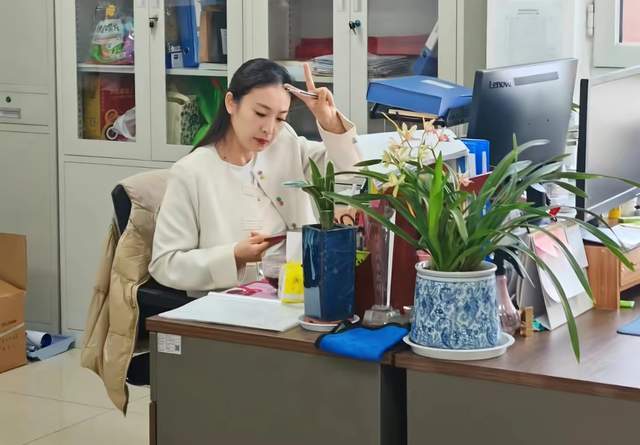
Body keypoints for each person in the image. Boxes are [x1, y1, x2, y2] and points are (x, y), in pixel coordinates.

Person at [149, 58, 361, 294]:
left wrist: (329, 122)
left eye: (280, 118)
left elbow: (354, 173)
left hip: (300, 293)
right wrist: (234, 256)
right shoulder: (191, 172)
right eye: (260, 113)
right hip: (232, 303)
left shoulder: (285, 143)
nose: (269, 129)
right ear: (231, 103)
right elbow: (165, 264)